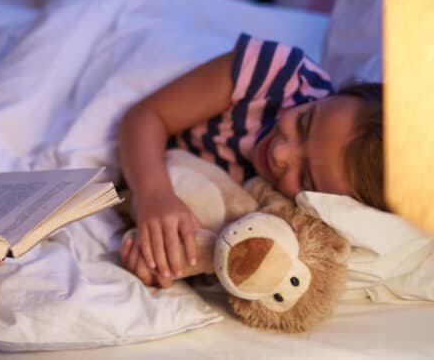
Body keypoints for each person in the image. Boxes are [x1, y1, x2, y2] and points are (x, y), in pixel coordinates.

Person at [117, 32, 384, 288]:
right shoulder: (276, 75)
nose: (280, 153)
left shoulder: (287, 216)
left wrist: (160, 257)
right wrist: (154, 193)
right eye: (303, 122)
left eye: (304, 176)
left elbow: (218, 254)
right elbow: (145, 117)